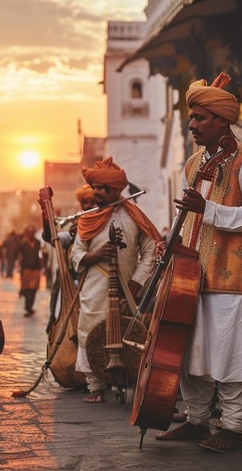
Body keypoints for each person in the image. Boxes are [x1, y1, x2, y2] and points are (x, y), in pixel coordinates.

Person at [155, 72, 242, 453]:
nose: (192, 126)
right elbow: (189, 215)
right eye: (191, 119)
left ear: (222, 121)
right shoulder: (193, 164)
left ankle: (234, 426)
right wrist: (170, 244)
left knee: (229, 348)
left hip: (230, 272)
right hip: (192, 272)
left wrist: (212, 210)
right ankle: (196, 419)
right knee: (192, 349)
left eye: (199, 119)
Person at [70, 157, 161, 403]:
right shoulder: (87, 218)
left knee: (127, 333)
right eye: (96, 188)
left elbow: (151, 249)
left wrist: (137, 282)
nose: (98, 193)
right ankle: (95, 386)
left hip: (127, 286)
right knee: (91, 331)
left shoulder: (133, 216)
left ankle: (125, 380)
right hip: (95, 286)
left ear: (116, 190)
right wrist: (94, 255)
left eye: (103, 189)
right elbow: (76, 253)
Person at [39, 184, 96, 332]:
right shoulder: (73, 231)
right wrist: (46, 216)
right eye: (86, 202)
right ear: (81, 204)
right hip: (71, 287)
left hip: (95, 286)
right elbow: (51, 238)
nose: (89, 205)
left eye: (93, 201)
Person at [18, 224, 42, 317]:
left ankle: (29, 307)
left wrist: (42, 267)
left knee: (33, 289)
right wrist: (20, 268)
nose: (31, 234)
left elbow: (40, 255)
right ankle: (28, 307)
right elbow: (20, 256)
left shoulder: (38, 243)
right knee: (27, 289)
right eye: (29, 232)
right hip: (26, 269)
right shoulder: (23, 244)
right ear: (27, 233)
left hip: (36, 269)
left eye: (32, 232)